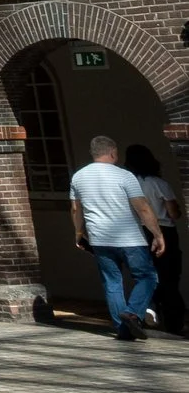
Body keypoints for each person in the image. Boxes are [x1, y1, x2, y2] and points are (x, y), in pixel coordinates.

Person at [70, 136, 165, 341]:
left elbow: (76, 208)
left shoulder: (79, 177)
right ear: (112, 152)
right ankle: (132, 313)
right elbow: (143, 207)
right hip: (130, 238)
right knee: (147, 277)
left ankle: (123, 330)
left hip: (99, 238)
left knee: (112, 283)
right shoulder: (125, 176)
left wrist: (79, 232)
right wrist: (157, 234)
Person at [121, 143, 181, 336]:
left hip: (138, 231)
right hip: (164, 230)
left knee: (147, 274)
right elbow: (173, 213)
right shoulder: (159, 183)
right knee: (170, 277)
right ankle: (173, 323)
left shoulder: (128, 183)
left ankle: (150, 309)